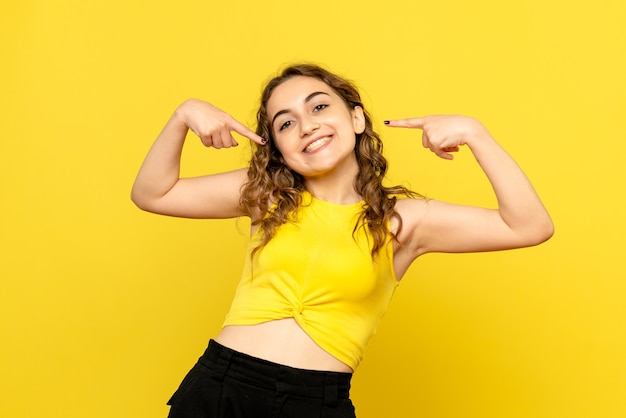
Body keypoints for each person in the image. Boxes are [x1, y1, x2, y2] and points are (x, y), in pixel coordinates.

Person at [131, 63, 553, 418]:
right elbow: (153, 193)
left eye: (318, 106)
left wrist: (477, 135)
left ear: (356, 118)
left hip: (315, 402)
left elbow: (529, 226)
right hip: (220, 388)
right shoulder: (268, 194)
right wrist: (182, 116)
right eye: (286, 122)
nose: (307, 125)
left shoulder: (403, 222)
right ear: (278, 147)